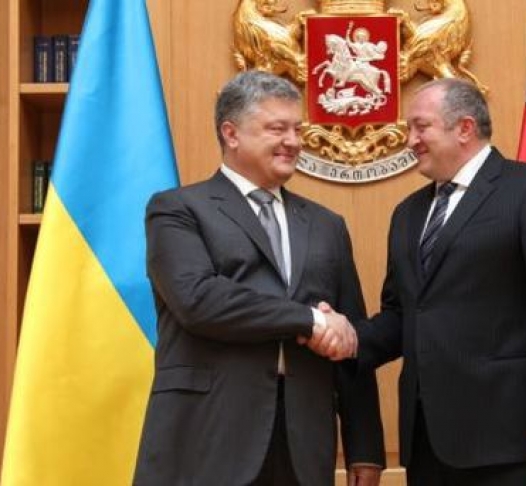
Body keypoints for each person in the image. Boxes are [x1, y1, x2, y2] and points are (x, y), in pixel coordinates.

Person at [133, 70, 384, 486]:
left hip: (303, 442)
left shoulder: (327, 225)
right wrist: (310, 319)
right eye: (277, 128)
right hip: (207, 435)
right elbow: (199, 300)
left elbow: (348, 335)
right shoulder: (177, 210)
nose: (293, 141)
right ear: (231, 133)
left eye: (297, 129)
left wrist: (366, 448)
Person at [350, 78, 526, 485]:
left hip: (509, 444)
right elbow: (403, 316)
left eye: (421, 127)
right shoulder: (407, 213)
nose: (410, 140)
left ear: (464, 128)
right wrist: (345, 337)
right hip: (427, 444)